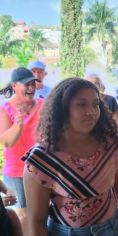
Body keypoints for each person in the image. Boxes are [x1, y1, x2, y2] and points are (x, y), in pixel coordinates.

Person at [23, 78, 118, 236]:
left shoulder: (112, 147)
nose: (91, 112)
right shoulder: (42, 159)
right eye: (81, 104)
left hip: (111, 229)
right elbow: (36, 220)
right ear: (62, 109)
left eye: (95, 104)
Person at [0, 67, 44, 232]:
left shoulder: (43, 104)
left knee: (42, 214)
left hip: (42, 169)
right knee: (23, 217)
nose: (31, 87)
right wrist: (18, 126)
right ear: (14, 86)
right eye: (27, 84)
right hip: (17, 172)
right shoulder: (5, 109)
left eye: (33, 83)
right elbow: (6, 142)